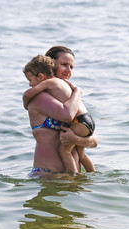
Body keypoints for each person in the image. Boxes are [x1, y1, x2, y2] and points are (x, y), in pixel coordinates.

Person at [23, 46, 97, 176]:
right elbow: (67, 115)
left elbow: (94, 141)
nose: (68, 71)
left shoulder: (70, 98)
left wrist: (75, 139)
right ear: (50, 65)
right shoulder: (39, 97)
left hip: (72, 178)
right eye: (64, 65)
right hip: (49, 175)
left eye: (71, 67)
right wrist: (78, 91)